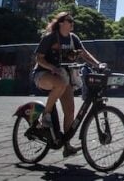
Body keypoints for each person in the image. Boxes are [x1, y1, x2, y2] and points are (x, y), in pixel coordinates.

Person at [32, 12, 104, 157]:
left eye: (73, 21)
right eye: (69, 20)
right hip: (43, 75)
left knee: (70, 110)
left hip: (64, 77)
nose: (72, 23)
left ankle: (67, 145)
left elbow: (84, 53)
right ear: (60, 23)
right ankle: (45, 116)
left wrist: (98, 64)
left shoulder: (73, 38)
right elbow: (39, 58)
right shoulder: (50, 37)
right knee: (60, 84)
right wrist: (52, 67)